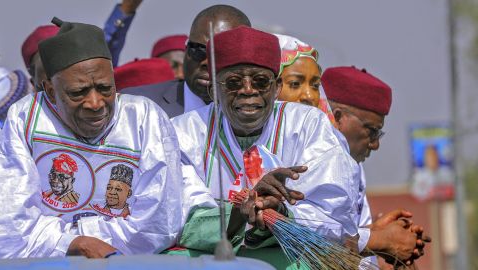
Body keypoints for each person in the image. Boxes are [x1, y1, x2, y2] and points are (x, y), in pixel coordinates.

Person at [0, 17, 215, 258]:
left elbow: (158, 223)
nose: (95, 103)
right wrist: (74, 243)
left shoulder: (144, 116)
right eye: (78, 92)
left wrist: (72, 236)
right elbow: (11, 226)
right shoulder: (26, 117)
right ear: (50, 90)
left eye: (105, 88)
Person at [170, 26, 362, 269]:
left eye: (260, 81)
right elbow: (179, 217)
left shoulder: (309, 125)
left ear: (277, 87)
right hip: (211, 258)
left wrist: (280, 211)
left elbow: (333, 215)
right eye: (233, 82)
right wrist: (239, 214)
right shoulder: (181, 132)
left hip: (287, 257)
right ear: (213, 90)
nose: (248, 90)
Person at [322, 66, 431, 267]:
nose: (375, 145)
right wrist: (380, 240)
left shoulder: (353, 168)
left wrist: (377, 233)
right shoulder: (310, 159)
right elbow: (310, 235)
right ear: (337, 117)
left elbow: (342, 244)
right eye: (372, 131)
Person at [121, 4, 251, 118]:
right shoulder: (134, 105)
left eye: (220, 54)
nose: (206, 62)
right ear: (186, 48)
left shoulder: (259, 114)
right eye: (198, 50)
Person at [21, 0, 142, 92]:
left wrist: (125, 11)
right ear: (33, 83)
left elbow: (105, 45)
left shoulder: (99, 107)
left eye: (68, 61)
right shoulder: (20, 121)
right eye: (49, 70)